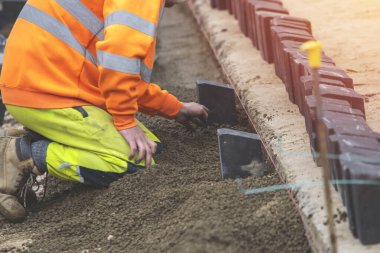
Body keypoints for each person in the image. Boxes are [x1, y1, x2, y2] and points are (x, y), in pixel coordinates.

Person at [0, 0, 209, 222]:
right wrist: (125, 121)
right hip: (48, 91)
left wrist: (174, 108)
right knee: (136, 162)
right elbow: (118, 60)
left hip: (42, 81)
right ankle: (23, 154)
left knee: (150, 149)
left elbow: (124, 76)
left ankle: (42, 139)